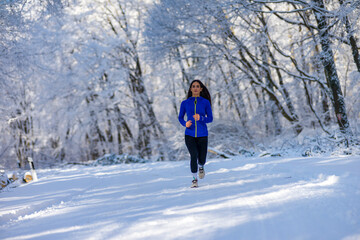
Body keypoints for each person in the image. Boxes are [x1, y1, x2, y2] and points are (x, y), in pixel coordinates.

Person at [178, 80, 213, 188]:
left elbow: (210, 118)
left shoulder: (205, 102)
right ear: (190, 89)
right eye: (193, 86)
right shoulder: (185, 103)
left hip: (202, 134)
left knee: (202, 158)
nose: (196, 88)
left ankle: (201, 166)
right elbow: (180, 117)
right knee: (194, 155)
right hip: (189, 134)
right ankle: (194, 180)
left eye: (198, 86)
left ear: (201, 89)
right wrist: (185, 123)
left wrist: (201, 118)